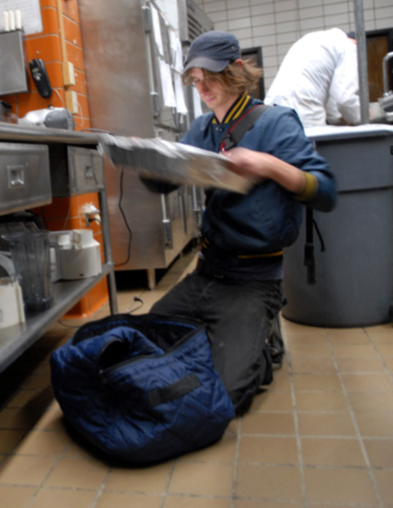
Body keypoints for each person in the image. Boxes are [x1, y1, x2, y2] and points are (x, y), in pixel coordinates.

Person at [146, 30, 337, 415]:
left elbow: (326, 191)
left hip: (254, 280)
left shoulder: (276, 123)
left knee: (228, 393)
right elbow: (162, 182)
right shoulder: (201, 130)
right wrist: (149, 161)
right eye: (197, 80)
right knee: (150, 336)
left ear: (237, 70)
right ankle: (232, 337)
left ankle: (262, 342)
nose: (203, 87)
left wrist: (267, 165)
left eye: (211, 77)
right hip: (207, 273)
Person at [264, 28, 359, 128]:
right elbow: (345, 98)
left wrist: (343, 119)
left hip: (272, 109)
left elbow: (333, 106)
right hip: (303, 111)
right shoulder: (350, 48)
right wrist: (362, 118)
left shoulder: (315, 39)